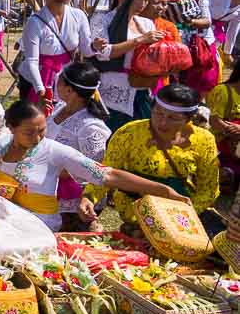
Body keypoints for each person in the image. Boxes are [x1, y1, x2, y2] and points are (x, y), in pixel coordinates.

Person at [0, 100, 190, 232]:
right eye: (29, 132)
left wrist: (163, 190)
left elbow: (107, 175)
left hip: (37, 226)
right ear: (11, 128)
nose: (38, 137)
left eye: (42, 129)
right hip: (2, 218)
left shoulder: (53, 150)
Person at [84, 83, 220, 228]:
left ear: (189, 118)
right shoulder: (129, 133)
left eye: (173, 118)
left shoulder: (204, 140)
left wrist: (184, 215)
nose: (163, 122)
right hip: (136, 215)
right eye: (158, 113)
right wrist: (89, 197)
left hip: (180, 219)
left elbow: (208, 190)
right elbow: (106, 170)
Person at [46, 62, 113, 228]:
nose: (56, 84)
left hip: (75, 205)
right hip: (49, 190)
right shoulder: (60, 108)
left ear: (69, 90)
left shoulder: (90, 127)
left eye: (59, 81)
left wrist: (60, 170)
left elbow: (96, 169)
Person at [90, 0, 162, 130]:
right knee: (113, 132)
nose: (142, 4)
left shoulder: (146, 23)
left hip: (141, 88)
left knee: (141, 133)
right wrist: (140, 39)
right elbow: (104, 53)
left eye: (146, 0)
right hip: (113, 88)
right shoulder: (103, 20)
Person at [17, 0, 96, 107]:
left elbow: (87, 50)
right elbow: (32, 61)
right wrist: (40, 90)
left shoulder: (79, 16)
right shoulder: (34, 22)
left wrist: (96, 46)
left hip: (64, 78)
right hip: (36, 78)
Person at [155, 0, 216, 95]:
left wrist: (188, 21)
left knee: (187, 89)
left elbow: (206, 21)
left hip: (188, 49)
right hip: (160, 47)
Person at [207, 64, 240, 194]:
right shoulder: (223, 91)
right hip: (221, 144)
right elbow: (215, 121)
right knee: (227, 176)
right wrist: (233, 130)